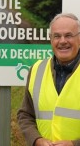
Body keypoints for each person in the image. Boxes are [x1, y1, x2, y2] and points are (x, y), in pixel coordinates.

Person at [17, 12, 80, 146]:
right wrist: (36, 140)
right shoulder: (36, 69)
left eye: (68, 35)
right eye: (57, 36)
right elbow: (25, 115)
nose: (62, 41)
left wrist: (75, 144)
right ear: (51, 40)